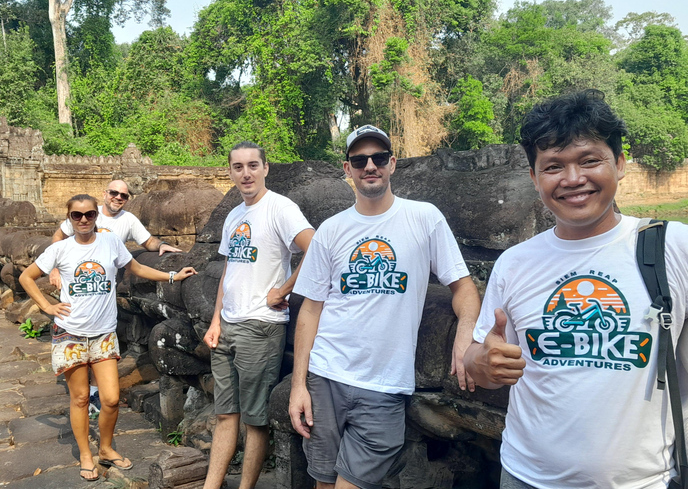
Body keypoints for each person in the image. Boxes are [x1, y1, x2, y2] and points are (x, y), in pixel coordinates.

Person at [463, 89, 688, 489]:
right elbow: (477, 359)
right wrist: (480, 364)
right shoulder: (515, 263)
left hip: (644, 482)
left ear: (620, 164)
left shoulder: (676, 247)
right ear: (535, 178)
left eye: (590, 160)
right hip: (524, 475)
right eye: (553, 166)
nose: (573, 179)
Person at [289, 125, 481, 489]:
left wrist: (466, 331)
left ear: (392, 164)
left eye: (378, 158)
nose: (370, 166)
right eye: (359, 160)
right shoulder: (330, 230)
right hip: (325, 374)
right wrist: (299, 384)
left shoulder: (424, 218)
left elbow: (463, 287)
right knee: (323, 480)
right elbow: (310, 310)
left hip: (385, 383)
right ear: (348, 169)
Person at [19, 194, 197, 482]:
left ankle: (105, 448)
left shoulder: (111, 242)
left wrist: (173, 276)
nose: (84, 220)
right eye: (77, 216)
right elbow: (26, 277)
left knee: (112, 399)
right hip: (70, 333)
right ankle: (86, 456)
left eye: (89, 214)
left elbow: (136, 269)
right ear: (69, 219)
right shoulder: (60, 249)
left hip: (103, 334)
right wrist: (47, 306)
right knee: (79, 398)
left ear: (96, 216)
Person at [201, 141, 315, 489]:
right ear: (231, 172)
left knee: (255, 421)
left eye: (253, 165)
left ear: (266, 168)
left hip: (261, 327)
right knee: (225, 415)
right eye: (238, 167)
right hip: (228, 326)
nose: (246, 173)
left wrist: (284, 289)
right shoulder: (235, 215)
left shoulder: (280, 208)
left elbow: (316, 248)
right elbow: (228, 271)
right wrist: (215, 320)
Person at [48, 179, 182, 289]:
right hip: (75, 275)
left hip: (104, 281)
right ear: (104, 194)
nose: (118, 197)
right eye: (114, 193)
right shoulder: (88, 213)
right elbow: (59, 236)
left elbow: (148, 243)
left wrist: (162, 245)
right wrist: (55, 268)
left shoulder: (128, 220)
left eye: (123, 195)